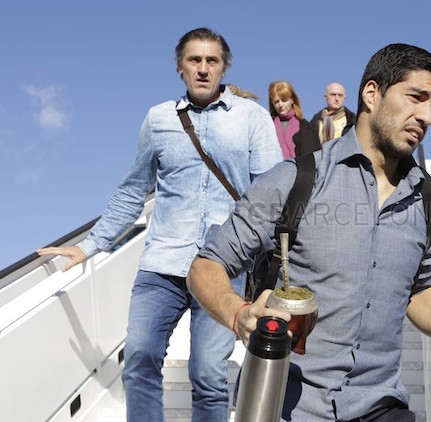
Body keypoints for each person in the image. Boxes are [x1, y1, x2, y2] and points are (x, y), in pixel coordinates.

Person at [187, 43, 431, 421]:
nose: (426, 116)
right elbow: (206, 265)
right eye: (416, 97)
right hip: (289, 405)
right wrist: (239, 314)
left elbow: (420, 289)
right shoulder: (295, 181)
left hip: (381, 406)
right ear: (372, 94)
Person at [37, 27, 282, 422]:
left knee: (208, 376)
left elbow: (270, 192)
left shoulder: (251, 117)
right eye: (194, 60)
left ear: (224, 68)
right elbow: (133, 190)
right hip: (162, 264)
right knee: (139, 360)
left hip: (223, 268)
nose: (203, 68)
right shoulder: (158, 119)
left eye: (212, 61)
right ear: (179, 67)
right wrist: (90, 245)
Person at [268, 80, 320, 159]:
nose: (280, 105)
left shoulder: (306, 127)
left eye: (284, 100)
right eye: (276, 101)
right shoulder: (267, 126)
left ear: (292, 100)